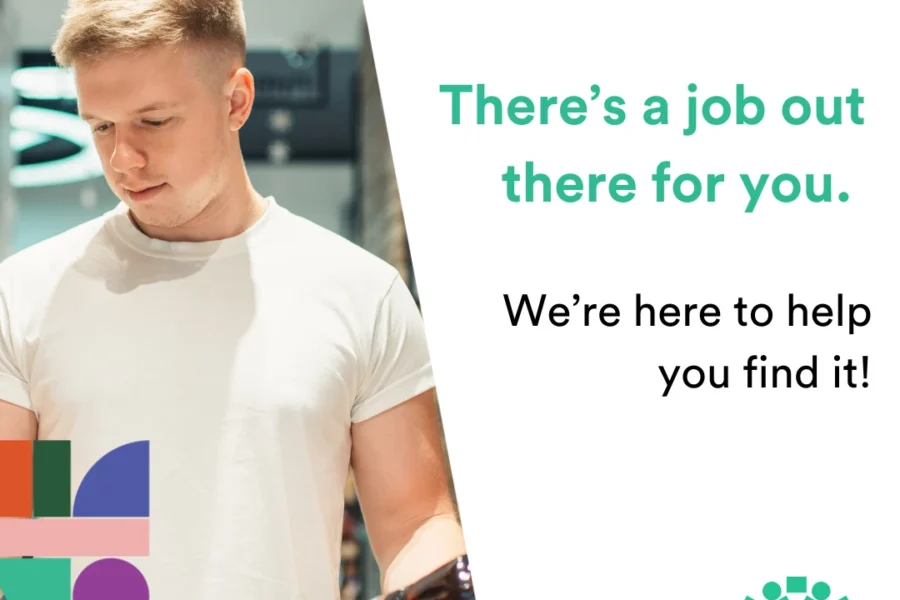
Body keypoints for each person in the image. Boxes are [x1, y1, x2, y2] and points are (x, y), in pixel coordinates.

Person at [0, 0, 466, 598]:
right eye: (101, 126)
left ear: (236, 100)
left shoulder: (360, 295)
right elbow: (20, 541)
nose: (124, 159)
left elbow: (414, 524)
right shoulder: (28, 294)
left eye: (154, 121)